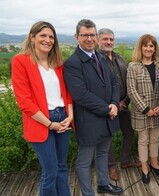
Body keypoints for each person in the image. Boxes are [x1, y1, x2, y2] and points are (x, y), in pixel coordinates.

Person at [11, 21, 73, 196]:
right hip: (40, 121)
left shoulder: (57, 63)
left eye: (51, 37)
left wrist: (70, 116)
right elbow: (24, 101)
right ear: (32, 38)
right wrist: (50, 124)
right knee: (50, 171)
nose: (48, 40)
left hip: (63, 117)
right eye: (43, 35)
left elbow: (67, 93)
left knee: (62, 167)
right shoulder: (20, 61)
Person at [63, 19, 123, 195]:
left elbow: (113, 82)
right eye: (85, 35)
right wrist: (107, 108)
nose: (89, 39)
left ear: (96, 37)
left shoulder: (100, 57)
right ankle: (87, 193)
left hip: (107, 118)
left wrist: (114, 103)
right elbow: (80, 95)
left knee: (103, 154)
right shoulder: (72, 63)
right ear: (77, 37)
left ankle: (104, 184)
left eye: (92, 35)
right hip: (89, 121)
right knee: (84, 161)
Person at [97, 28, 141, 181]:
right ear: (98, 40)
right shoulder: (96, 60)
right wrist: (111, 105)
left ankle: (126, 160)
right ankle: (111, 166)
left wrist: (124, 102)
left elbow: (128, 82)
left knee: (129, 130)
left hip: (123, 104)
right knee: (107, 136)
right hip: (106, 107)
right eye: (105, 39)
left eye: (111, 39)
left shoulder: (120, 58)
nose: (108, 42)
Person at [127, 34, 159, 184]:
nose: (149, 48)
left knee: (155, 139)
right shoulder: (133, 66)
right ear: (140, 47)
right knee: (143, 140)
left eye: (151, 46)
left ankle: (154, 164)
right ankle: (144, 168)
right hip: (141, 112)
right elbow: (131, 90)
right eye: (146, 45)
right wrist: (145, 109)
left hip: (158, 109)